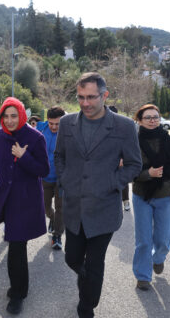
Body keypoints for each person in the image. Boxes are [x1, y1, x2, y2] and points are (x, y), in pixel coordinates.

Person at [54, 72, 142, 318]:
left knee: (95, 264)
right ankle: (88, 284)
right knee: (72, 259)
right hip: (73, 207)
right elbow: (59, 156)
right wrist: (65, 180)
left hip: (104, 210)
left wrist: (112, 182)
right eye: (81, 97)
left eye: (91, 97)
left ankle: (86, 307)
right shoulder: (67, 123)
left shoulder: (124, 126)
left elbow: (135, 165)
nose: (85, 103)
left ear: (105, 95)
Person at [0, 97, 49, 315]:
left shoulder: (35, 137)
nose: (9, 121)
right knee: (16, 245)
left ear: (22, 115)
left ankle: (18, 293)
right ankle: (21, 288)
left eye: (13, 116)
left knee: (16, 246)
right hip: (6, 199)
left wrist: (24, 156)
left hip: (26, 200)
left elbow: (44, 170)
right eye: (5, 116)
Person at [131, 104, 170, 291]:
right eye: (148, 117)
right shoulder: (133, 143)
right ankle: (142, 276)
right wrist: (148, 174)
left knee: (163, 239)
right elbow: (129, 171)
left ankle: (158, 258)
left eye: (155, 117)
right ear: (139, 120)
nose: (153, 120)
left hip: (165, 196)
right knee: (144, 240)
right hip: (142, 196)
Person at [37, 106, 65, 250]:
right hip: (44, 177)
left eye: (57, 124)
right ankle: (52, 219)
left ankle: (57, 235)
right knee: (45, 206)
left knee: (61, 208)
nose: (54, 127)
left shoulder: (69, 133)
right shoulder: (39, 130)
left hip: (62, 180)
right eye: (51, 123)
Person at [108, 106, 131, 211]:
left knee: (123, 182)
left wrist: (122, 159)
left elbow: (127, 145)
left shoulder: (122, 128)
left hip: (120, 160)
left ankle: (126, 201)